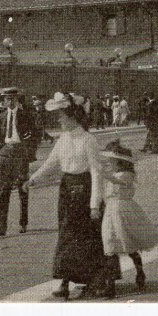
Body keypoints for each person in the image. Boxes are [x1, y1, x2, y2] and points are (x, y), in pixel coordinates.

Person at [24, 92, 105, 299]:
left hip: (84, 190)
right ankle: (65, 281)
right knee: (66, 235)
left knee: (85, 237)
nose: (58, 119)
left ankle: (93, 280)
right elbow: (51, 163)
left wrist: (95, 203)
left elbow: (97, 172)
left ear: (72, 116)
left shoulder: (88, 140)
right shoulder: (63, 139)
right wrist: (33, 179)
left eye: (61, 115)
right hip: (67, 190)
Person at [98, 140, 158, 298]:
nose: (109, 163)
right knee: (109, 245)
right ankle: (110, 285)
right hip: (111, 210)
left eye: (111, 161)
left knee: (128, 245)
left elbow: (116, 181)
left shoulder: (126, 175)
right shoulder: (114, 174)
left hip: (123, 211)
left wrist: (101, 172)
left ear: (119, 161)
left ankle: (140, 272)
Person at [0, 89, 36, 236]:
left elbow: (34, 134)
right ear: (3, 101)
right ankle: (0, 227)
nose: (10, 101)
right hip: (5, 154)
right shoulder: (0, 117)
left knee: (23, 189)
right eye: (7, 99)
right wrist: (0, 151)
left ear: (17, 99)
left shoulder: (25, 116)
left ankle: (23, 223)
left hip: (20, 154)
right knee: (3, 191)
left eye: (13, 99)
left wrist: (29, 152)